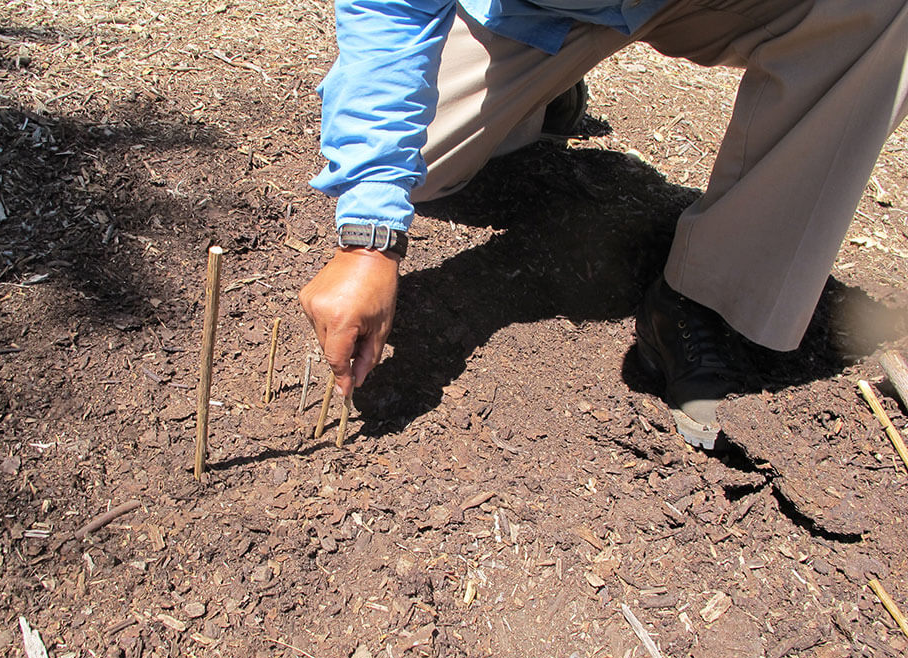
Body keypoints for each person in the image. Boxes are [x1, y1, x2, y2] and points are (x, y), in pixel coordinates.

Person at [299, 0, 908, 449]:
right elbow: (392, 13)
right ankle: (545, 91)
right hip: (533, 10)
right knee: (421, 164)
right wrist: (371, 236)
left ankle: (707, 295)